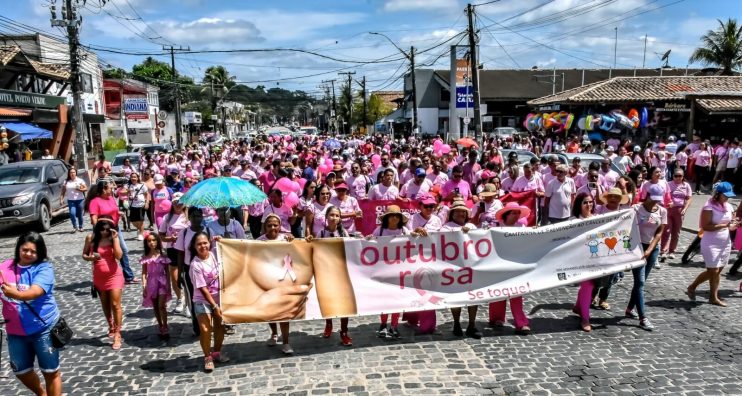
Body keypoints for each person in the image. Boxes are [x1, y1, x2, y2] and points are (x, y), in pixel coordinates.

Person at [0, 232, 62, 396]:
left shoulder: (44, 268)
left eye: (33, 251)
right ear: (18, 248)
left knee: (50, 371)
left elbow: (35, 292)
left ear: (40, 252)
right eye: (24, 249)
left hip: (43, 329)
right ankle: (41, 393)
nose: (28, 254)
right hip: (15, 331)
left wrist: (17, 294)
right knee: (21, 370)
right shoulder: (5, 267)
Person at [686, 182, 738, 306]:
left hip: (725, 242)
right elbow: (706, 226)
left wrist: (735, 224)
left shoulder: (729, 207)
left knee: (718, 270)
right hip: (711, 242)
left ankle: (713, 297)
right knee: (713, 271)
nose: (727, 198)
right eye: (725, 195)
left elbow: (730, 226)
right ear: (718, 194)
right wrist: (725, 225)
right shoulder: (708, 207)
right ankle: (692, 287)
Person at [308, 206, 354, 346]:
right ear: (326, 217)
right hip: (326, 273)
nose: (334, 218)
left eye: (337, 215)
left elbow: (351, 250)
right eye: (332, 215)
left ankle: (344, 331)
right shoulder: (321, 234)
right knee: (328, 301)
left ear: (340, 218)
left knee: (344, 304)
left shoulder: (344, 233)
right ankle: (329, 324)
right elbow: (313, 252)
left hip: (341, 273)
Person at [626, 184, 667, 331]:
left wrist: (650, 249)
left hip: (652, 249)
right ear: (647, 195)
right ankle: (643, 318)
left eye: (658, 199)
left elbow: (659, 233)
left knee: (640, 283)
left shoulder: (662, 211)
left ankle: (630, 308)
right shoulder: (636, 209)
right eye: (653, 198)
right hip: (637, 249)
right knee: (641, 282)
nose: (655, 202)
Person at [82, 216, 125, 349]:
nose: (105, 232)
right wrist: (90, 258)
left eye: (108, 229)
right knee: (105, 303)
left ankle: (118, 333)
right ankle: (110, 324)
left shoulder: (113, 238)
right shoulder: (91, 238)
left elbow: (119, 256)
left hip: (114, 275)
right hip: (99, 276)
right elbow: (83, 255)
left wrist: (116, 239)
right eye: (102, 229)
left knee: (115, 304)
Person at [440, 200, 481, 339]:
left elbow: (480, 239)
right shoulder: (446, 227)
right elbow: (441, 240)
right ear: (452, 214)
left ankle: (472, 324)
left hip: (471, 265)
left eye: (463, 211)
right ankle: (456, 323)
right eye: (457, 211)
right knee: (456, 296)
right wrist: (459, 233)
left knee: (473, 296)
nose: (460, 213)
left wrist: (470, 233)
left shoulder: (471, 225)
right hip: (454, 266)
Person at [489, 202, 532, 335]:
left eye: (518, 213)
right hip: (498, 264)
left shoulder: (522, 227)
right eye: (514, 213)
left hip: (516, 265)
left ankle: (521, 322)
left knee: (516, 294)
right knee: (498, 292)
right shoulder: (495, 227)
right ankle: (497, 318)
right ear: (506, 215)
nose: (517, 216)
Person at [189, 232, 229, 372]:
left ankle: (216, 352)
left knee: (220, 326)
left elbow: (229, 251)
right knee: (206, 330)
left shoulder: (214, 254)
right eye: (199, 244)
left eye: (205, 242)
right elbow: (203, 289)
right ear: (194, 247)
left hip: (220, 298)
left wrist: (221, 240)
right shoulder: (195, 265)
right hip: (203, 301)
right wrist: (214, 306)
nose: (203, 246)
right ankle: (207, 357)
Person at [257, 214, 296, 354]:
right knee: (270, 311)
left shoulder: (285, 239)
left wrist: (294, 240)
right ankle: (274, 333)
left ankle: (285, 342)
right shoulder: (258, 242)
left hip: (283, 281)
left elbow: (297, 252)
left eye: (275, 225)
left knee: (284, 312)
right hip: (267, 282)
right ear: (265, 227)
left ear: (280, 226)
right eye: (269, 225)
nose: (272, 228)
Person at [371, 205, 411, 339]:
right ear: (387, 218)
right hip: (384, 271)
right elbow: (371, 246)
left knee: (397, 299)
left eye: (397, 216)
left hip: (400, 271)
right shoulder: (379, 231)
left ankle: (394, 325)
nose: (394, 218)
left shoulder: (404, 231)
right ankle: (383, 324)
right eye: (392, 215)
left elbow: (414, 243)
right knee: (384, 299)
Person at [88, 180, 138, 284]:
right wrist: (99, 230)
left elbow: (112, 210)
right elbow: (94, 219)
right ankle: (103, 274)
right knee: (103, 253)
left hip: (115, 228)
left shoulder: (111, 198)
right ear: (104, 189)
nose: (112, 189)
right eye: (110, 188)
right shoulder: (95, 201)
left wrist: (119, 213)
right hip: (103, 231)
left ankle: (128, 276)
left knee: (123, 250)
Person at [175, 207, 210, 333]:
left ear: (202, 217)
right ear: (189, 218)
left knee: (209, 296)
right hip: (190, 270)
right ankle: (197, 325)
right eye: (193, 216)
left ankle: (209, 323)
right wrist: (179, 274)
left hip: (207, 270)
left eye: (198, 216)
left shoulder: (208, 231)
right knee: (194, 298)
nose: (196, 219)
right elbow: (180, 253)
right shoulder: (184, 233)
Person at [570, 193, 597, 332]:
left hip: (595, 257)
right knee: (588, 285)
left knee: (591, 285)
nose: (589, 205)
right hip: (580, 259)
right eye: (585, 203)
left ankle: (578, 306)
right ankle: (585, 318)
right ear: (579, 205)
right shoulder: (573, 221)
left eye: (591, 202)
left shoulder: (598, 219)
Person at [158, 193, 188, 314]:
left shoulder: (188, 217)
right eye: (175, 202)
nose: (177, 204)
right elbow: (161, 235)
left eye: (180, 202)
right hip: (173, 249)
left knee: (188, 276)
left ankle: (189, 301)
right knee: (175, 277)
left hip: (186, 249)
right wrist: (170, 239)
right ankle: (180, 299)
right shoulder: (167, 217)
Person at [140, 232, 171, 339]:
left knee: (161, 305)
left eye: (154, 240)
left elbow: (167, 272)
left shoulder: (163, 255)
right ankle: (160, 325)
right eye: (149, 241)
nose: (152, 243)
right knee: (155, 306)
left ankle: (166, 325)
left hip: (162, 282)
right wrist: (144, 286)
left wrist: (169, 285)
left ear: (157, 241)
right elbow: (144, 273)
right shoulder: (145, 257)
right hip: (151, 283)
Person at [660, 170, 692, 261]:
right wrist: (667, 204)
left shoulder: (686, 185)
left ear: (683, 176)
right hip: (669, 210)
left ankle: (672, 251)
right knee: (667, 230)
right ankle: (663, 251)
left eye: (680, 176)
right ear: (673, 176)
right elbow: (664, 196)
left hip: (680, 210)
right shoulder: (668, 184)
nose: (678, 177)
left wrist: (685, 209)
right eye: (676, 175)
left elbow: (689, 198)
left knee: (676, 232)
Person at [59, 167, 87, 233]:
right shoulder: (66, 182)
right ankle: (74, 227)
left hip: (80, 200)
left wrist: (79, 189)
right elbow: (63, 191)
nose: (72, 174)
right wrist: (61, 199)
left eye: (74, 172)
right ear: (69, 174)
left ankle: (81, 227)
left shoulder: (80, 180)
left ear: (76, 173)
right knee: (72, 213)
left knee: (80, 214)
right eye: (71, 172)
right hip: (71, 201)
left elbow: (85, 188)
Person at [127, 172, 150, 241]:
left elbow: (147, 194)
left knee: (140, 220)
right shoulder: (128, 186)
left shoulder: (142, 185)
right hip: (132, 205)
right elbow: (124, 193)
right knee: (133, 220)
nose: (133, 178)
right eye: (132, 177)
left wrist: (147, 203)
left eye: (135, 177)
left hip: (140, 205)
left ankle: (141, 234)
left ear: (137, 178)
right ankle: (140, 229)